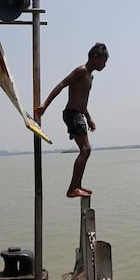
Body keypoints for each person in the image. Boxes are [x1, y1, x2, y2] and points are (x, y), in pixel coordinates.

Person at [36, 43, 109, 198]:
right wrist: (45, 105)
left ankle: (77, 185)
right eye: (103, 60)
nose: (105, 64)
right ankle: (72, 189)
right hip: (72, 114)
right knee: (86, 149)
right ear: (94, 57)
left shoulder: (90, 76)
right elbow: (62, 84)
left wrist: (89, 118)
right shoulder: (81, 71)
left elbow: (83, 100)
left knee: (85, 150)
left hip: (79, 114)